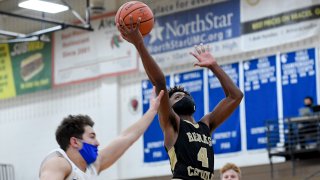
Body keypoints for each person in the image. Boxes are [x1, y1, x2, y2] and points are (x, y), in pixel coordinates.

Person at [117, 17, 243, 180]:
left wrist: (214, 66)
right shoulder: (172, 123)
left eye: (186, 95)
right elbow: (159, 81)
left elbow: (235, 96)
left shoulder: (206, 124)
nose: (183, 96)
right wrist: (139, 44)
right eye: (176, 97)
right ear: (169, 107)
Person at [39, 87, 164, 180]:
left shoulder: (92, 167)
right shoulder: (59, 162)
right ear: (74, 142)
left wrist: (152, 110)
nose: (98, 143)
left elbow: (126, 138)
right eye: (92, 137)